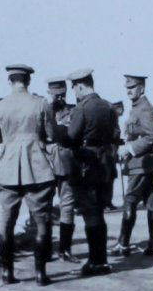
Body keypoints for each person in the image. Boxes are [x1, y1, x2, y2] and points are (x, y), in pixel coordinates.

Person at [0, 64, 57, 286]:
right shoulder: (41, 103)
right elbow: (52, 134)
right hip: (38, 168)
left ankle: (8, 274)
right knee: (42, 221)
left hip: (8, 169)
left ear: (10, 81)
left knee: (6, 221)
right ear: (28, 81)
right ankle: (40, 274)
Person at [58, 69, 113, 276]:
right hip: (105, 162)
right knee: (98, 211)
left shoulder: (82, 108)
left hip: (86, 164)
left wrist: (59, 131)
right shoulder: (107, 107)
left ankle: (95, 262)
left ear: (80, 86)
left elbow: (72, 137)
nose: (75, 93)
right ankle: (102, 260)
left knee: (90, 213)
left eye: (75, 89)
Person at [110, 74, 153, 257]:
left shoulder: (144, 109)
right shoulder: (137, 108)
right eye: (127, 88)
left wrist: (130, 149)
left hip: (141, 163)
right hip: (146, 162)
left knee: (130, 200)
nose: (129, 91)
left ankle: (123, 244)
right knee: (151, 202)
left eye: (133, 87)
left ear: (141, 88)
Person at [43, 77, 80, 263]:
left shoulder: (73, 111)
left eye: (63, 95)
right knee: (46, 207)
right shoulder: (42, 110)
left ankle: (65, 250)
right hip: (46, 165)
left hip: (66, 163)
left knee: (68, 206)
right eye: (56, 95)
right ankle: (46, 249)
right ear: (49, 93)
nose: (60, 99)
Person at [103, 101, 124, 211]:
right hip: (108, 154)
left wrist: (120, 141)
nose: (121, 111)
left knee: (111, 177)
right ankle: (105, 203)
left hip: (112, 153)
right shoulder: (110, 122)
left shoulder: (115, 121)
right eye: (120, 109)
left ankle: (108, 202)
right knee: (107, 178)